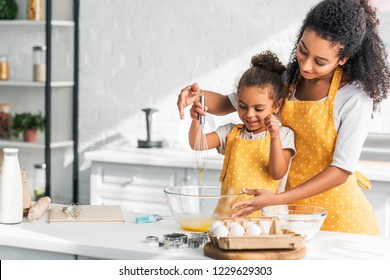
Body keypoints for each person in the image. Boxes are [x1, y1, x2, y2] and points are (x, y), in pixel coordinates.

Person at [177, 0, 390, 235]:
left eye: (320, 61)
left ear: (343, 59)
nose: (306, 66)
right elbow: (230, 103)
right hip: (288, 215)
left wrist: (278, 199)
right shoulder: (287, 79)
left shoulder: (354, 97)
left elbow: (340, 170)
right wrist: (197, 95)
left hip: (340, 219)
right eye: (303, 50)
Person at [189, 51, 296, 217]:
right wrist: (196, 120)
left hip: (267, 220)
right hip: (227, 219)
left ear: (277, 105)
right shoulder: (231, 132)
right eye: (242, 106)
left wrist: (274, 137)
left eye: (258, 109)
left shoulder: (284, 135)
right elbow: (197, 144)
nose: (249, 114)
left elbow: (278, 173)